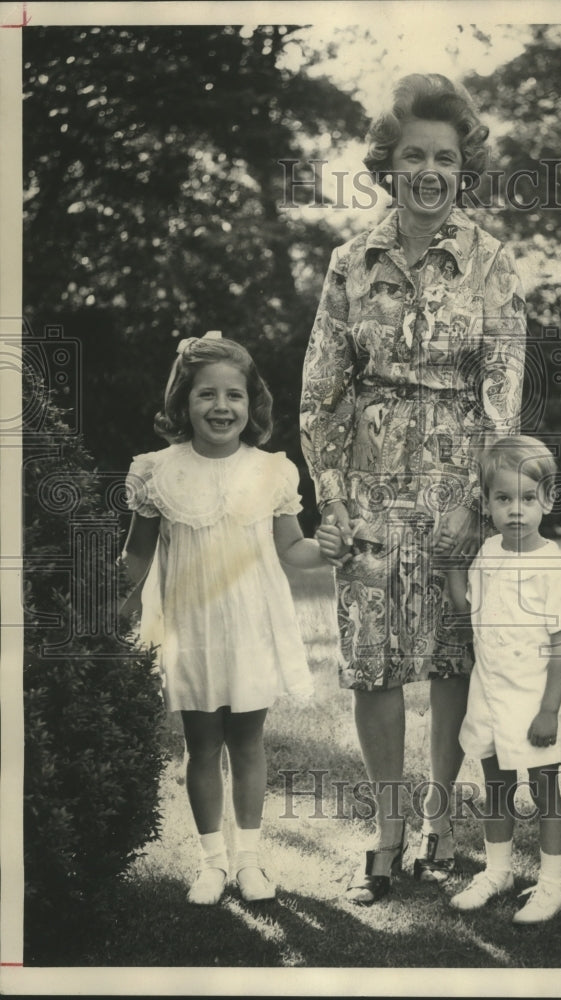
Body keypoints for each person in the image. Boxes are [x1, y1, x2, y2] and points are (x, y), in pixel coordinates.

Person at [301, 73, 527, 904]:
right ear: (386, 165)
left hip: (456, 486)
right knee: (373, 667)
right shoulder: (348, 261)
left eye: (445, 155)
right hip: (367, 485)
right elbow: (320, 391)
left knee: (448, 657)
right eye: (412, 156)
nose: (429, 170)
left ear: (463, 163)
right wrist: (332, 497)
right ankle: (387, 835)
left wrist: (482, 496)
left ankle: (438, 823)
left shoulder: (493, 264)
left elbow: (503, 387)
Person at [121, 331, 326, 906]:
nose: (221, 407)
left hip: (251, 625)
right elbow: (138, 554)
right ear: (182, 402)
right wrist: (113, 603)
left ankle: (251, 861)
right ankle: (212, 862)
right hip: (191, 626)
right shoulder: (157, 470)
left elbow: (294, 549)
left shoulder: (271, 470)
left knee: (249, 740)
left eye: (234, 395)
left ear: (251, 403)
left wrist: (331, 551)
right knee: (202, 743)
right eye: (206, 394)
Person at [445, 436, 561, 923]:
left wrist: (549, 709)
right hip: (490, 690)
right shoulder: (487, 552)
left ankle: (552, 884)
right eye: (503, 499)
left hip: (534, 695)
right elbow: (469, 612)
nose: (516, 510)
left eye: (527, 498)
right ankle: (498, 871)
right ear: (487, 504)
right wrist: (452, 569)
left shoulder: (554, 565)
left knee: (546, 790)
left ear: (548, 500)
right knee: (496, 785)